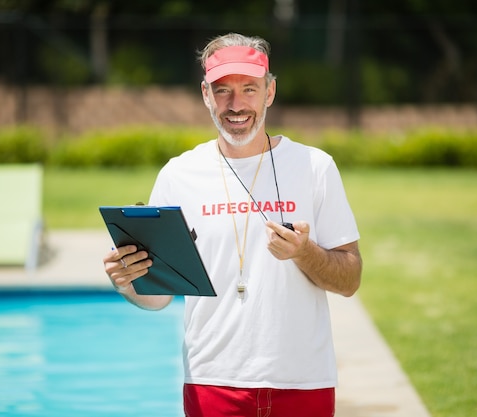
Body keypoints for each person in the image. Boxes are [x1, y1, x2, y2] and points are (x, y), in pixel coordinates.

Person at [103, 32, 362, 417]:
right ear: (205, 94)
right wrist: (126, 282)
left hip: (303, 381)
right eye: (223, 90)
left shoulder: (314, 167)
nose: (236, 104)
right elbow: (158, 296)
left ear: (270, 92)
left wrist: (304, 253)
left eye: (249, 89)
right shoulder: (179, 175)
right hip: (212, 383)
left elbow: (350, 280)